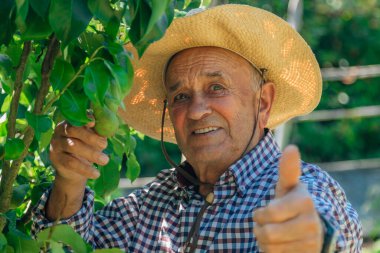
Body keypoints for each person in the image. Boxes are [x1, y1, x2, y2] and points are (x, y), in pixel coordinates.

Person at [32, 4, 362, 252]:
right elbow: (64, 246)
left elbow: (321, 229)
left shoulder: (302, 189)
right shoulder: (154, 204)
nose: (196, 111)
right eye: (181, 95)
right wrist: (70, 180)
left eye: (217, 87)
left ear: (263, 102)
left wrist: (315, 241)